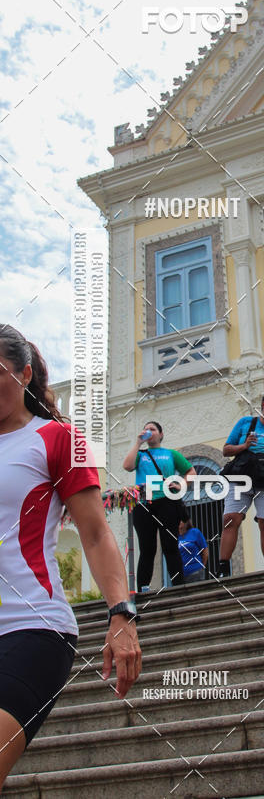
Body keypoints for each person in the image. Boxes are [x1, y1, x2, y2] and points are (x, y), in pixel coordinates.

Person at [0, 325, 141, 786]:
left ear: (23, 374)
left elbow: (97, 534)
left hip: (31, 629)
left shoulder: (59, 439)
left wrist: (121, 614)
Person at [217, 393, 264, 578]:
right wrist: (244, 446)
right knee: (231, 518)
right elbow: (226, 449)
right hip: (241, 477)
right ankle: (223, 568)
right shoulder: (245, 423)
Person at [123, 422, 195, 591]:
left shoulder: (170, 454)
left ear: (161, 434)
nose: (149, 431)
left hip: (167, 502)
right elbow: (127, 466)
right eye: (146, 429)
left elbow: (191, 472)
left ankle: (178, 586)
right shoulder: (140, 454)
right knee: (147, 549)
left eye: (153, 429)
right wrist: (138, 443)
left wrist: (182, 485)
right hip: (144, 504)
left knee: (170, 546)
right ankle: (143, 589)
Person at [178, 518, 209, 583]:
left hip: (196, 571)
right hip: (180, 574)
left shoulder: (195, 532)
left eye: (181, 520)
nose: (180, 522)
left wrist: (202, 566)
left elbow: (205, 551)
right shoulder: (174, 536)